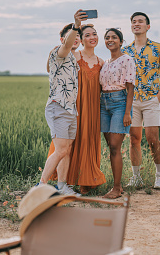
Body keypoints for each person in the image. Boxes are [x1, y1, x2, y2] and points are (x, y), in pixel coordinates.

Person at [46, 23, 106, 195]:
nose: (90, 37)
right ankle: (59, 183)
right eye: (86, 35)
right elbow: (54, 63)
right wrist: (76, 25)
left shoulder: (101, 62)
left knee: (85, 140)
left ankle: (85, 180)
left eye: (93, 34)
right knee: (66, 146)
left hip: (92, 107)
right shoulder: (72, 55)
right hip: (73, 105)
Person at [39, 10, 87, 195]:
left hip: (70, 110)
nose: (75, 39)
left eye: (78, 37)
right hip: (57, 107)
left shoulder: (73, 60)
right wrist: (76, 25)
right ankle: (41, 186)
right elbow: (68, 44)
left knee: (66, 150)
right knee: (60, 150)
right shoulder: (59, 53)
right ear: (62, 39)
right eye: (71, 36)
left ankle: (62, 186)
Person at [121, 12, 160, 189]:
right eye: (134, 22)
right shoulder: (125, 51)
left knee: (152, 138)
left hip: (151, 100)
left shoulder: (159, 48)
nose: (137, 24)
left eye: (140, 21)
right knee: (134, 139)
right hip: (132, 101)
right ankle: (136, 177)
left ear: (147, 26)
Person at [99, 28, 135, 199]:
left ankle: (116, 187)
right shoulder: (105, 62)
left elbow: (130, 88)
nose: (110, 40)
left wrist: (127, 112)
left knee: (115, 146)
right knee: (111, 147)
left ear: (121, 42)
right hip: (103, 104)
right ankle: (117, 186)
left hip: (119, 103)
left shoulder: (127, 59)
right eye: (107, 38)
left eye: (114, 37)